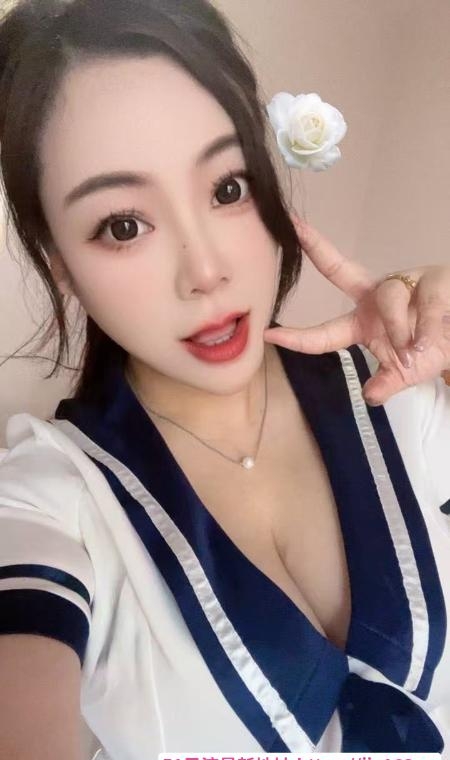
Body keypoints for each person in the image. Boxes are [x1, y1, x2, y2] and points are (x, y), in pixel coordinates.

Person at [0, 1, 449, 757]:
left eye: (228, 187)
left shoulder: (400, 392)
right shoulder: (52, 498)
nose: (206, 271)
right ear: (62, 267)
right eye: (123, 225)